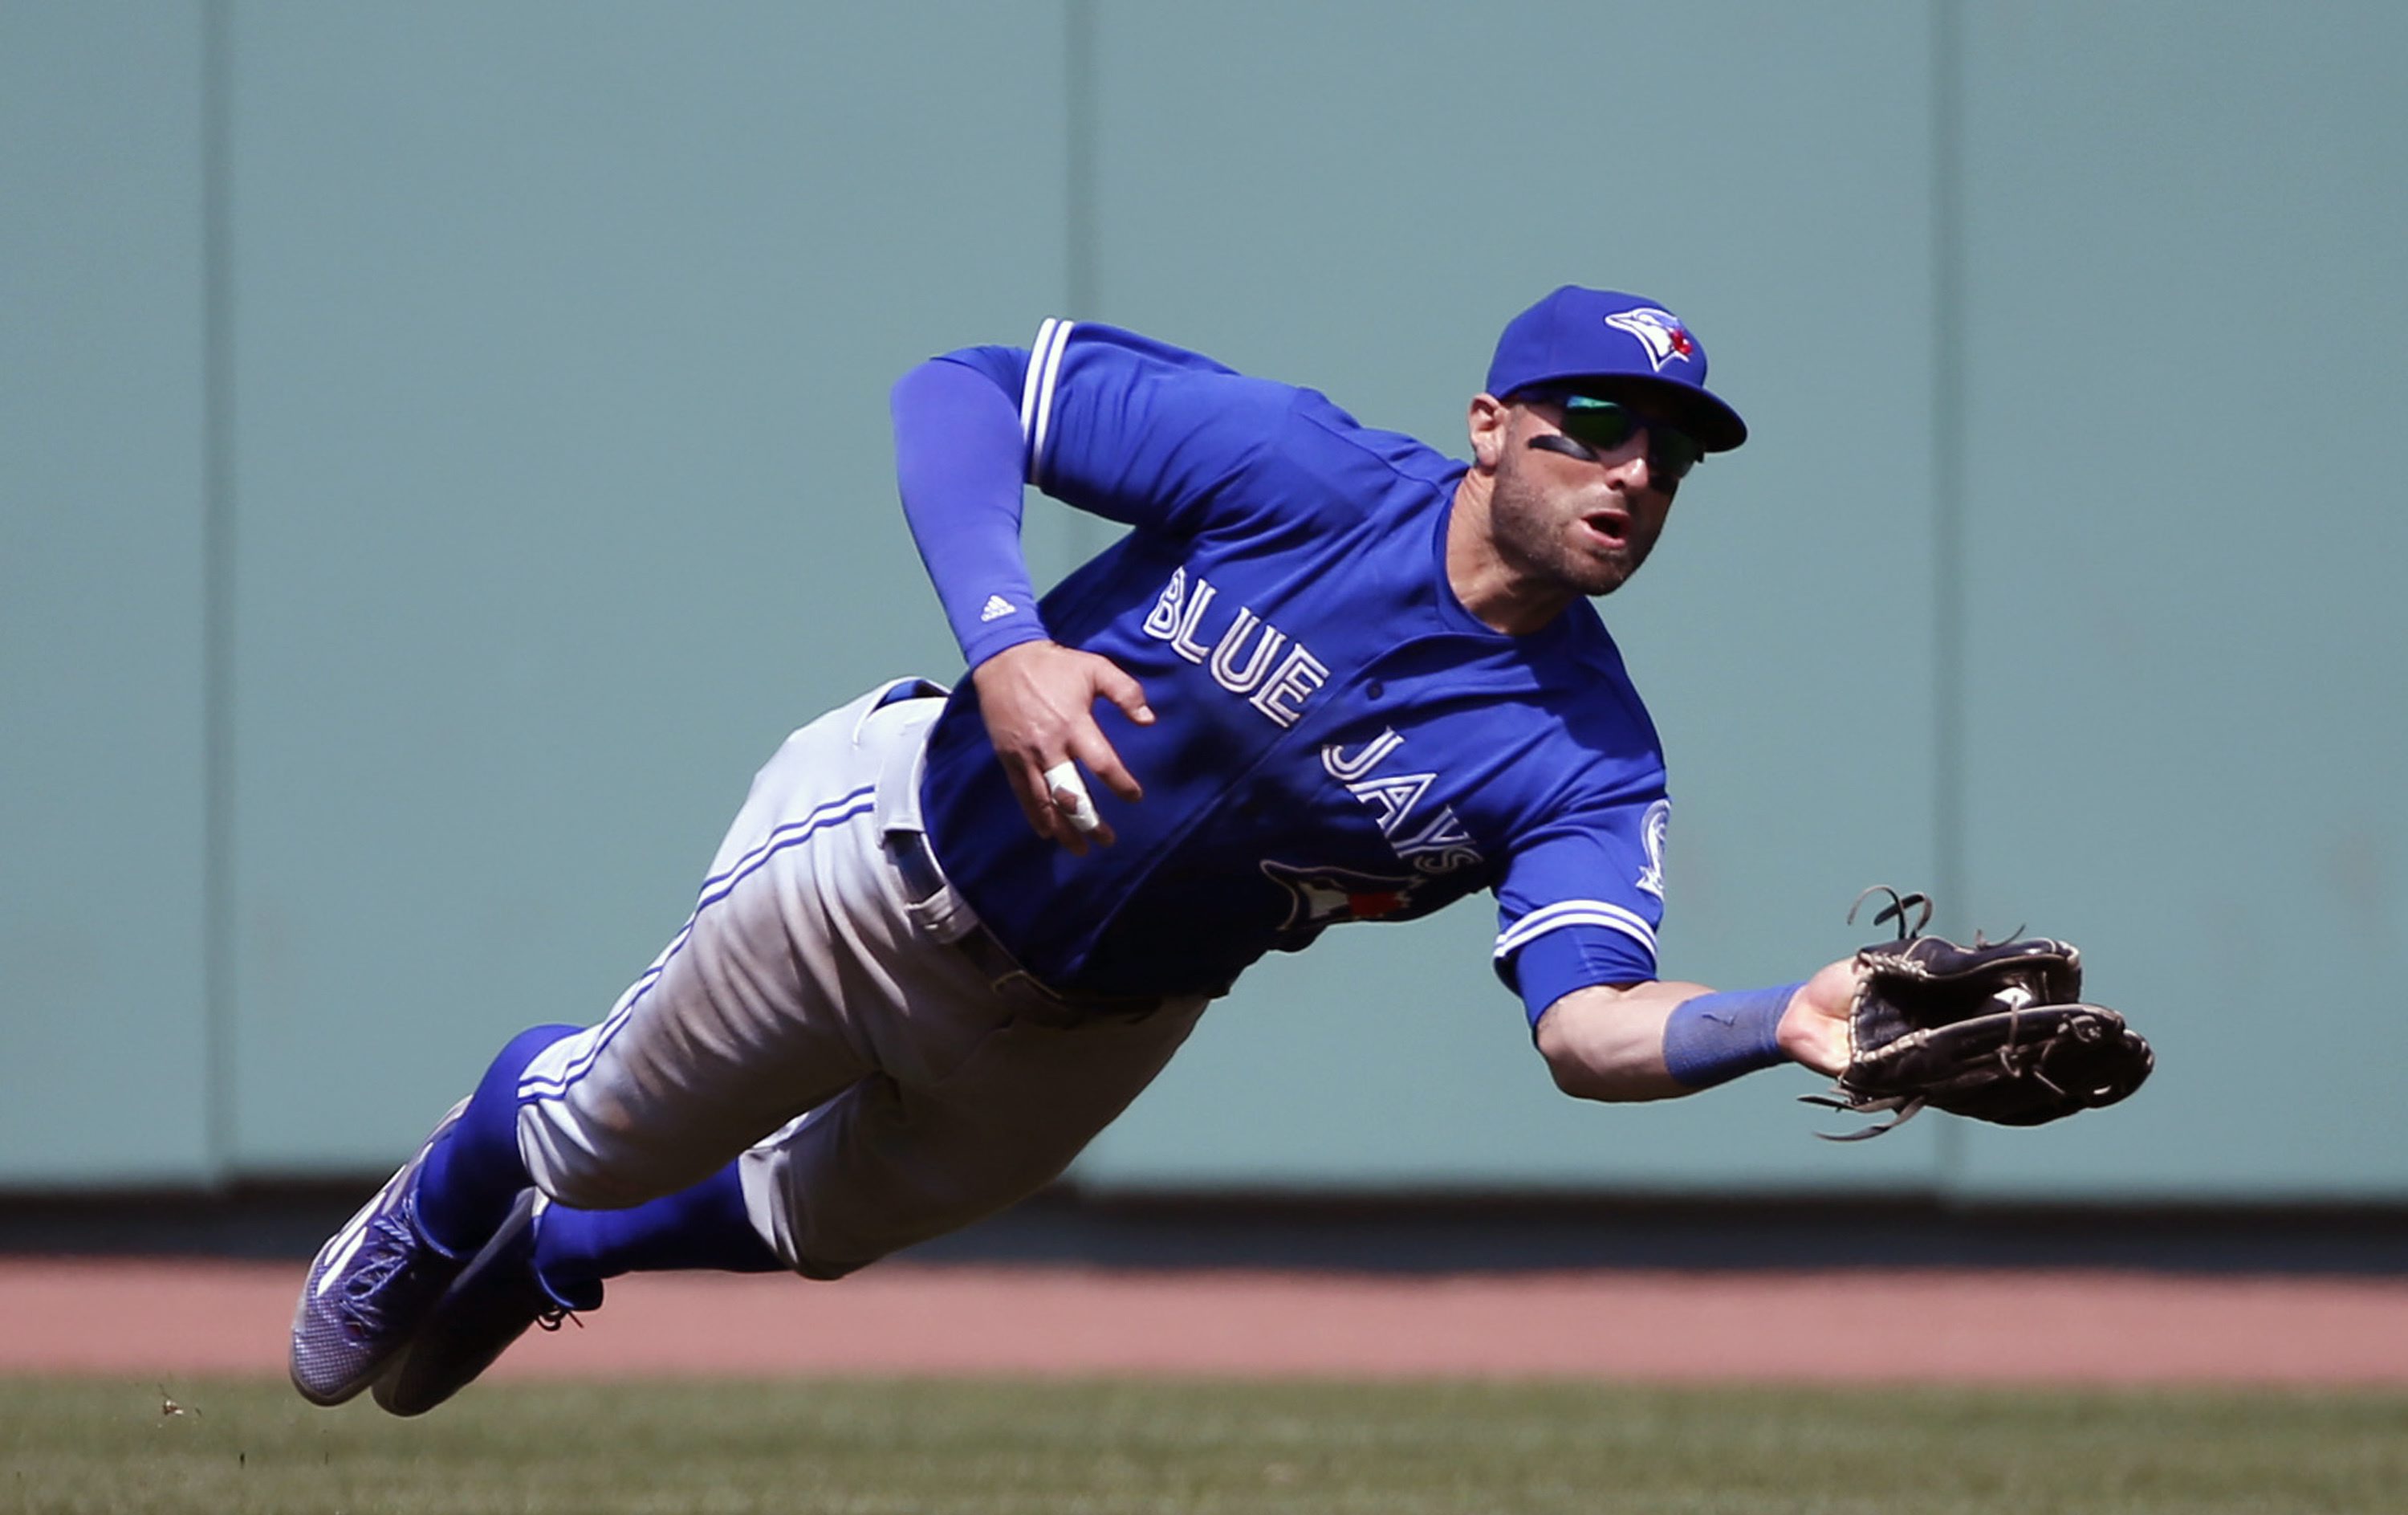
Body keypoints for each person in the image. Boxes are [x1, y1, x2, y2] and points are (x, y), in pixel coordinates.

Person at [291, 285, 1862, 1415]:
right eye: (1596, 422)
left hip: (1099, 1022)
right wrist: (1004, 641)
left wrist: (1777, 1014)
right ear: (1491, 428)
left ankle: (556, 1254)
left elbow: (1588, 1027)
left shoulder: (1585, 749)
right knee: (599, 1125)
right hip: (888, 860)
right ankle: (454, 1201)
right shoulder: (1301, 474)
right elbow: (965, 389)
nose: (1635, 472)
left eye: (1672, 451)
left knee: (821, 1226)